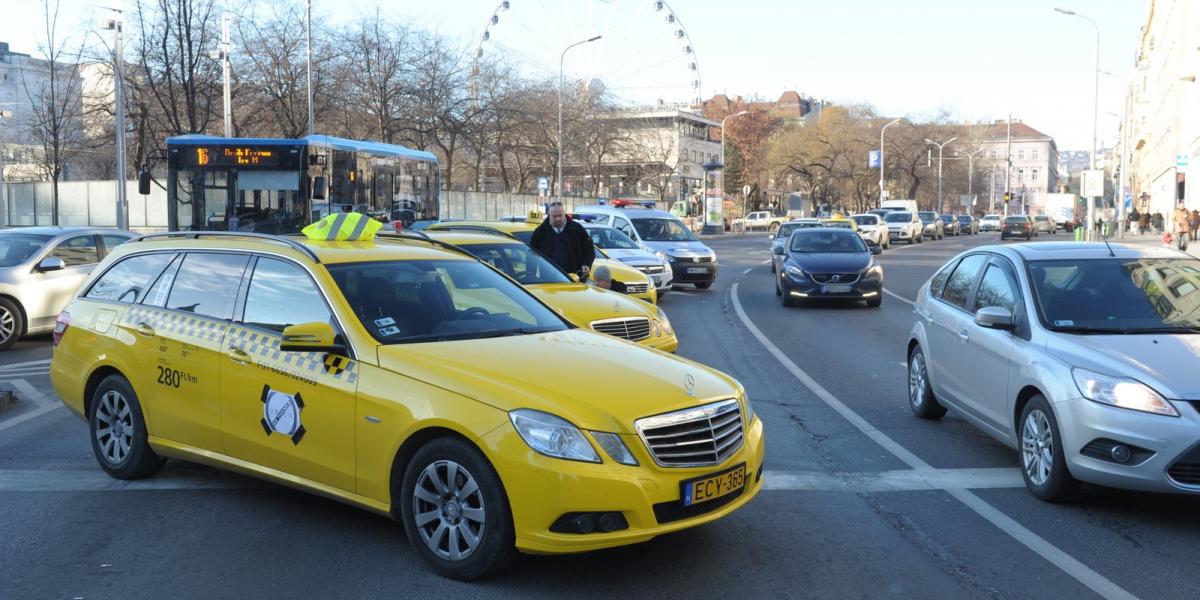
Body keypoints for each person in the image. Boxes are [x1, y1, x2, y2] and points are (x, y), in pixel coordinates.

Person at [530, 201, 595, 281]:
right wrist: (531, 277)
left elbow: (589, 250)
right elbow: (532, 257)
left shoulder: (577, 229)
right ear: (549, 215)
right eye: (554, 216)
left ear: (564, 213)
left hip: (575, 279)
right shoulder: (540, 233)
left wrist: (587, 264)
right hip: (548, 281)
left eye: (560, 216)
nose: (558, 218)